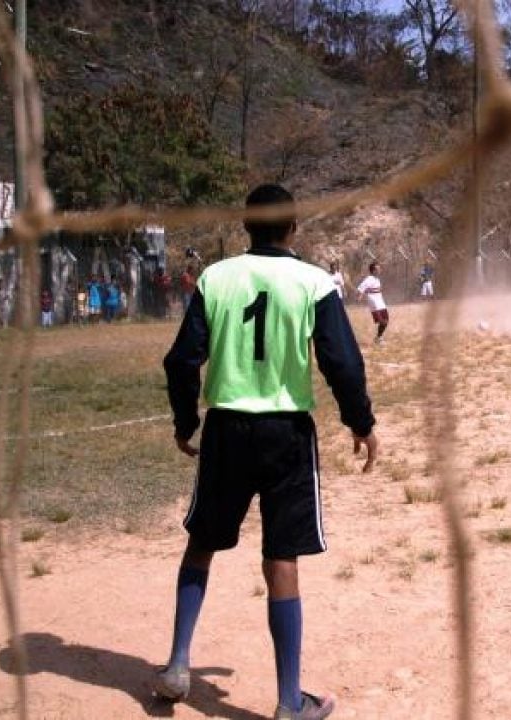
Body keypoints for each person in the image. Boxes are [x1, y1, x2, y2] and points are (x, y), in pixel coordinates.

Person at [159, 183, 378, 720]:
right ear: (293, 227)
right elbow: (342, 362)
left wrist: (187, 420)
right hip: (285, 434)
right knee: (282, 557)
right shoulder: (311, 282)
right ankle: (287, 703)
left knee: (203, 542)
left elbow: (182, 361)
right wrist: (360, 421)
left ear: (247, 225)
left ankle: (178, 665)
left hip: (227, 428)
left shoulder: (215, 277)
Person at [356, 262, 389, 344]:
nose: (380, 270)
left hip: (381, 303)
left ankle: (378, 337)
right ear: (373, 270)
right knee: (382, 321)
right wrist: (359, 296)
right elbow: (361, 288)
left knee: (386, 320)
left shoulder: (377, 279)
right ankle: (379, 338)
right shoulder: (368, 279)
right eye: (378, 269)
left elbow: (378, 289)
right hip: (374, 304)